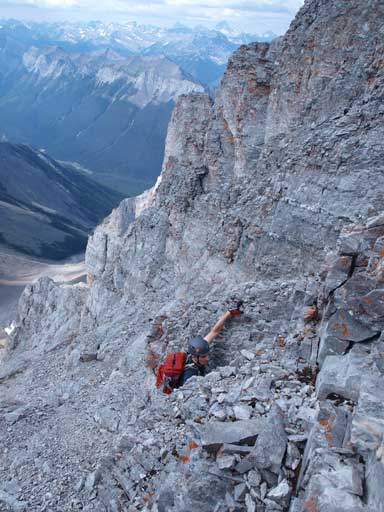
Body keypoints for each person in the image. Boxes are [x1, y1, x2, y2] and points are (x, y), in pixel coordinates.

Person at [178, 305, 242, 386]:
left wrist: (228, 313)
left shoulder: (200, 348)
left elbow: (214, 331)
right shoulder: (190, 373)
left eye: (206, 355)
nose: (207, 358)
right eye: (203, 357)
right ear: (194, 357)